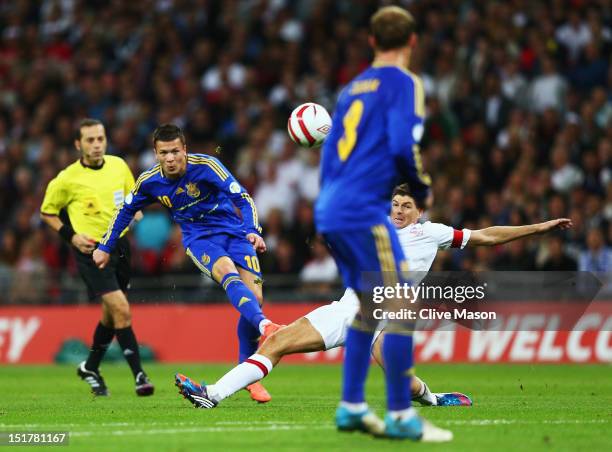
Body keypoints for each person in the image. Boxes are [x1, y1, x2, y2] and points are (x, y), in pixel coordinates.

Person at [175, 183, 571, 409]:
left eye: (406, 206)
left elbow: (486, 235)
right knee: (401, 383)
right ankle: (433, 399)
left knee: (275, 342)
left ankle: (212, 394)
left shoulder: (431, 233)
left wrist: (538, 229)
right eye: (395, 204)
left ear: (419, 212)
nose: (398, 210)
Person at [315, 6, 443, 441]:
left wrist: (329, 204)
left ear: (371, 42)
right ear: (412, 42)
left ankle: (352, 406)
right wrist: (421, 187)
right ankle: (402, 414)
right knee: (401, 301)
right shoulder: (405, 83)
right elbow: (403, 144)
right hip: (363, 206)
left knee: (370, 306)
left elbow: (331, 154)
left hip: (330, 205)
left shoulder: (353, 87)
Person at [92, 123, 281, 403]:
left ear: (185, 150)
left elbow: (241, 196)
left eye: (175, 152)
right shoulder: (149, 181)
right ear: (156, 154)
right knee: (228, 272)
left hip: (236, 234)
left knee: (255, 296)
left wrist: (253, 229)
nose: (170, 158)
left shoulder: (208, 166)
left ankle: (249, 377)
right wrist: (105, 246)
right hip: (199, 239)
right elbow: (125, 210)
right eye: (164, 153)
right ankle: (266, 327)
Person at [40, 118, 154, 397]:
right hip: (90, 251)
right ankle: (139, 376)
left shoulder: (118, 166)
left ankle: (91, 367)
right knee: (122, 309)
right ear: (78, 145)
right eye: (90, 140)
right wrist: (72, 237)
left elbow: (132, 196)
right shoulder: (67, 178)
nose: (96, 145)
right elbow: (47, 211)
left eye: (100, 139)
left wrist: (136, 212)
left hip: (120, 246)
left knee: (111, 314)